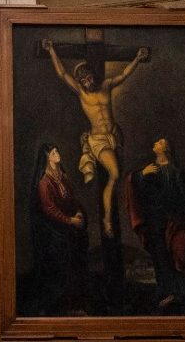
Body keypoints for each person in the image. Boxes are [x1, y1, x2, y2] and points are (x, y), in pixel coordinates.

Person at [41, 38, 149, 237]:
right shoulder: (82, 93)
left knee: (121, 177)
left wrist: (137, 58)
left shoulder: (106, 85)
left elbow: (124, 75)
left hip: (114, 137)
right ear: (81, 82)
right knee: (114, 174)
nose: (88, 82)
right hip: (99, 140)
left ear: (92, 76)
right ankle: (107, 220)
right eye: (84, 81)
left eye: (89, 78)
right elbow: (62, 73)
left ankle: (121, 219)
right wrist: (51, 50)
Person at [127, 136, 185, 312]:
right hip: (156, 222)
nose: (156, 143)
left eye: (161, 142)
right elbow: (135, 187)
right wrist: (141, 175)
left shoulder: (175, 171)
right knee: (161, 258)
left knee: (181, 252)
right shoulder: (150, 169)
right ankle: (168, 292)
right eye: (157, 141)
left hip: (175, 219)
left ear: (166, 149)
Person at [33, 143, 88, 315]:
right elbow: (49, 209)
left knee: (76, 266)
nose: (58, 153)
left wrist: (78, 212)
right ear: (48, 157)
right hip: (55, 234)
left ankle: (76, 304)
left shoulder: (62, 177)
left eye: (58, 150)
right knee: (62, 270)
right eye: (54, 152)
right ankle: (63, 309)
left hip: (69, 230)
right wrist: (69, 220)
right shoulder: (44, 182)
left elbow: (72, 199)